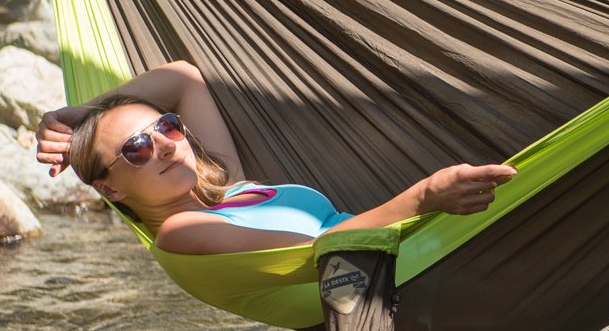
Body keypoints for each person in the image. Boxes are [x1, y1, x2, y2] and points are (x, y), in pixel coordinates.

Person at [35, 60, 515, 252]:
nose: (165, 143)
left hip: (414, 241)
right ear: (111, 188)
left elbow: (184, 78)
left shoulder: (227, 183)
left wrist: (82, 113)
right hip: (398, 255)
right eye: (136, 148)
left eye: (166, 125)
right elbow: (318, 249)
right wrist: (426, 196)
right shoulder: (181, 231)